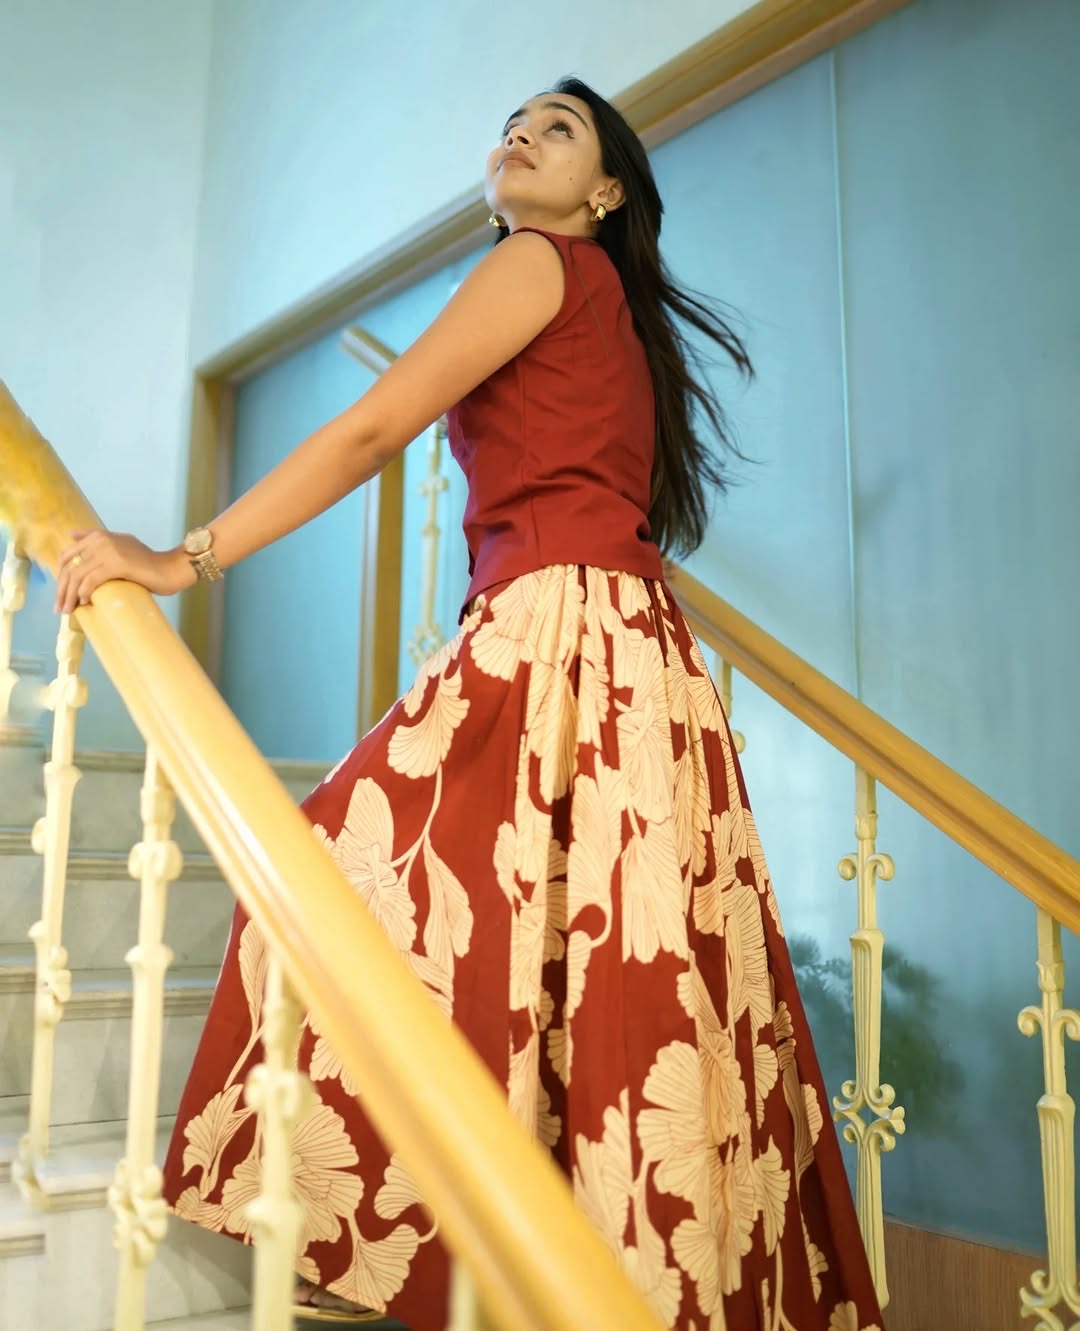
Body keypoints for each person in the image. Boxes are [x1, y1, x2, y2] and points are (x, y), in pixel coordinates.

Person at [55, 77, 882, 1331]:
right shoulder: (605, 305)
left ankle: (474, 1262)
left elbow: (373, 427)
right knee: (609, 989)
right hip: (631, 661)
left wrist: (179, 561)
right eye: (514, 122)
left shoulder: (541, 261)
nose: (522, 136)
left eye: (559, 129)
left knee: (322, 882)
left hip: (557, 639)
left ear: (605, 193)